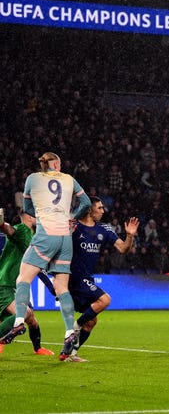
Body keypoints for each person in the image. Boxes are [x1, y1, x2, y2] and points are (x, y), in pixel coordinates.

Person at [0, 152, 91, 361]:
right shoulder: (69, 178)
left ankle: (19, 322)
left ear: (43, 165)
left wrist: (41, 212)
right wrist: (72, 218)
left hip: (45, 234)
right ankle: (69, 333)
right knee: (62, 288)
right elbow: (85, 202)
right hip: (65, 237)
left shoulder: (33, 178)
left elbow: (29, 208)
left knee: (23, 279)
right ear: (57, 164)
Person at [67, 196, 139, 362]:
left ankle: (71, 354)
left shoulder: (104, 230)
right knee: (105, 300)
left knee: (91, 321)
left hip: (88, 279)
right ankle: (75, 327)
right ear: (89, 210)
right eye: (99, 208)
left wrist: (130, 236)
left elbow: (123, 249)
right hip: (74, 277)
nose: (103, 211)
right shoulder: (75, 227)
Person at [0, 208, 57, 355]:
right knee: (24, 313)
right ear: (29, 218)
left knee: (31, 319)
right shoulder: (22, 230)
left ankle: (37, 348)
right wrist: (1, 223)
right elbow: (9, 230)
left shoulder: (32, 236)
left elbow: (36, 266)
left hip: (13, 285)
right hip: (5, 283)